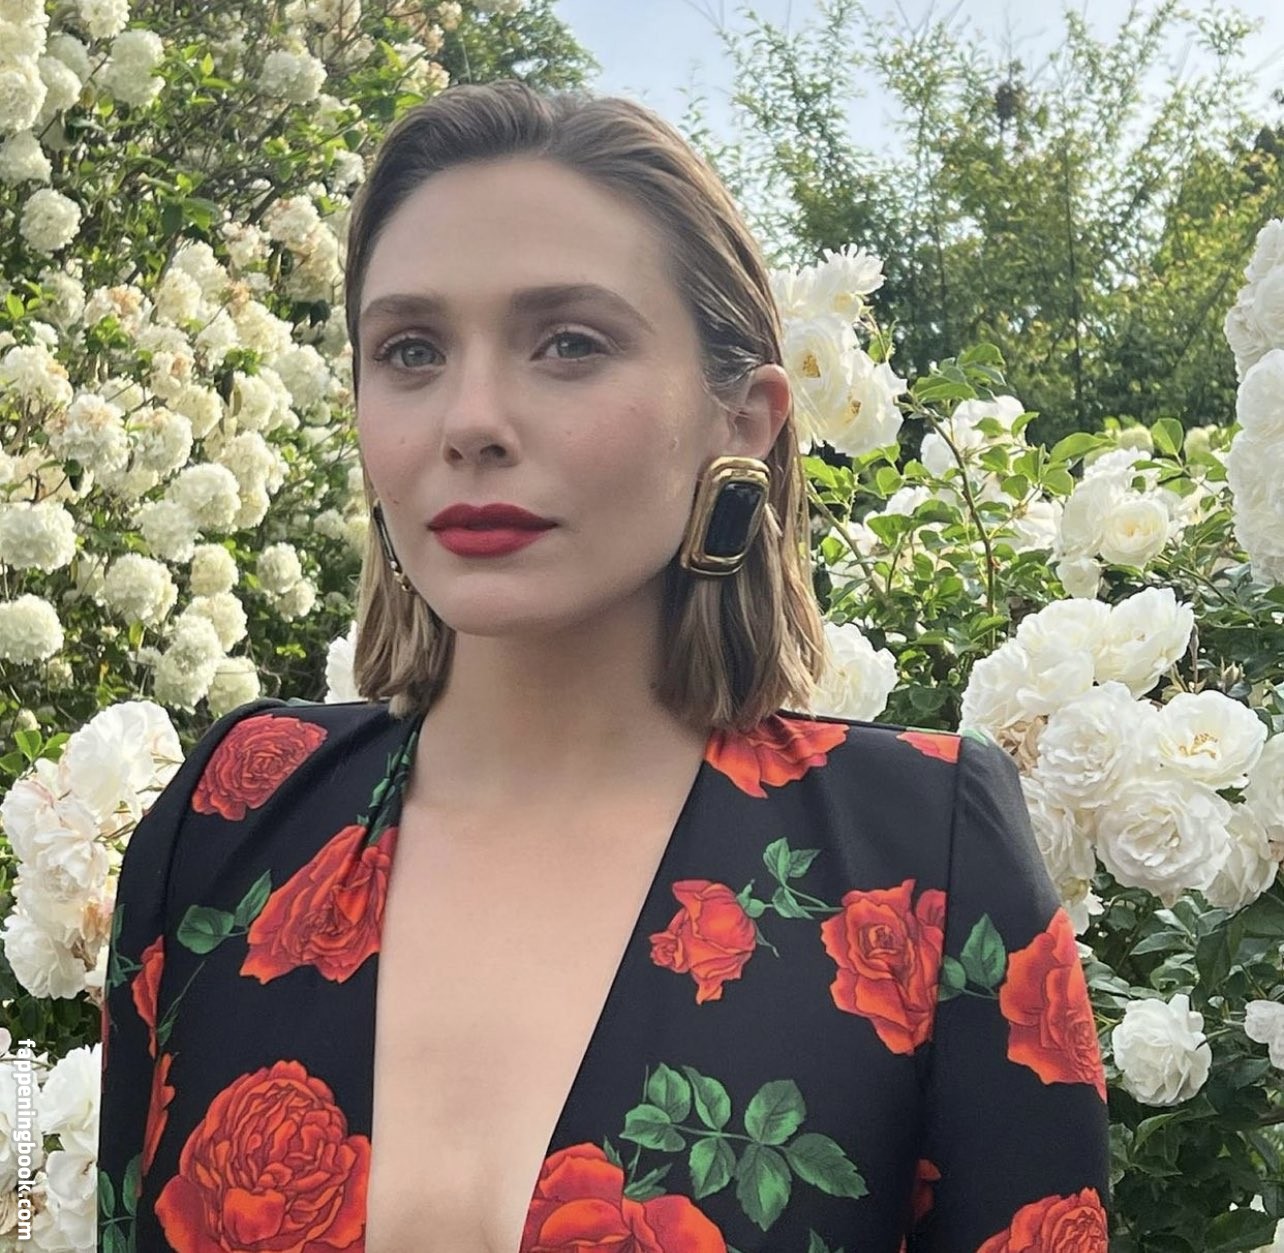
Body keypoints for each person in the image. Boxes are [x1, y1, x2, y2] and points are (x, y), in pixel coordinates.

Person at [96, 79, 1111, 1252]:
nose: (471, 419)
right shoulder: (233, 815)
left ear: (744, 419)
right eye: (412, 350)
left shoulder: (921, 854)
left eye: (569, 344)